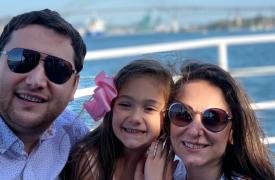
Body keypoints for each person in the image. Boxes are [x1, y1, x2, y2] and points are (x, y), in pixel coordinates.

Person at [0, 9, 89, 179]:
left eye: (58, 69)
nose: (36, 81)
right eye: (21, 60)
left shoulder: (74, 132)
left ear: (74, 86)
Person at [62, 59, 176, 180]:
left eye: (149, 108)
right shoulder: (90, 160)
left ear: (167, 116)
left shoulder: (163, 166)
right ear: (111, 107)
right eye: (125, 105)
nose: (135, 118)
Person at [167, 60, 275, 180]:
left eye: (213, 118)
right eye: (183, 113)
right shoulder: (163, 171)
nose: (194, 131)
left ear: (232, 133)